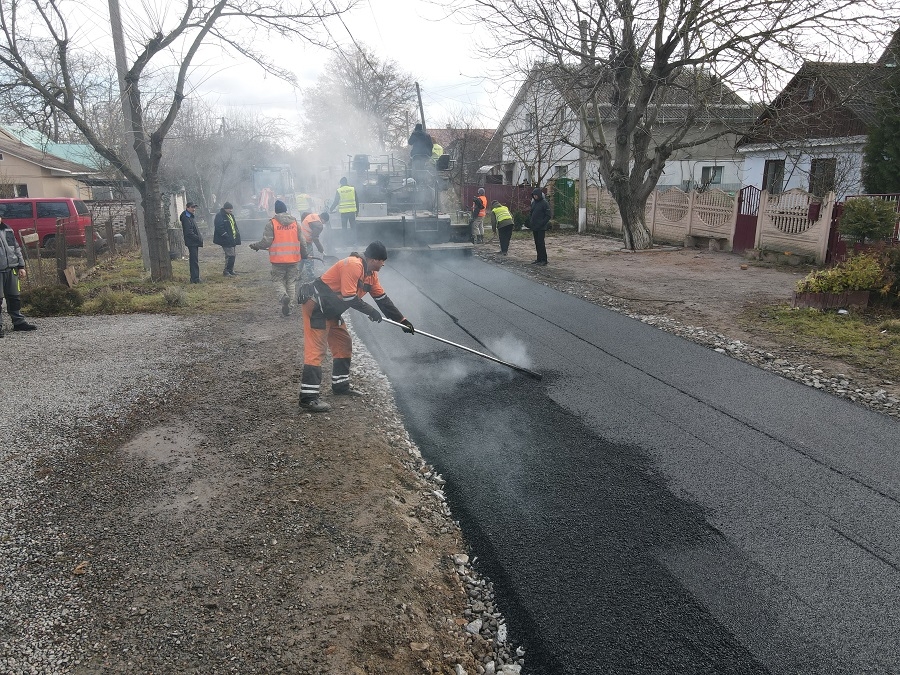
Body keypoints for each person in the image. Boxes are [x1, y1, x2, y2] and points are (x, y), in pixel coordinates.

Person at [298, 241, 414, 413]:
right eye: (382, 260)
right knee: (317, 350)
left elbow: (383, 300)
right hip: (316, 307)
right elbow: (349, 297)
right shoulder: (353, 265)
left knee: (343, 343)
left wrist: (402, 321)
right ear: (373, 259)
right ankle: (308, 398)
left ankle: (340, 385)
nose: (383, 264)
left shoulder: (371, 275)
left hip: (331, 309)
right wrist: (370, 311)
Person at [248, 199, 306, 317]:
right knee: (291, 282)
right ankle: (289, 308)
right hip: (293, 259)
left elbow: (266, 242)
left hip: (278, 260)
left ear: (276, 211)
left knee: (278, 280)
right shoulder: (295, 222)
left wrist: (256, 246)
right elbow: (303, 241)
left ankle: (283, 297)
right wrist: (304, 254)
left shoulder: (272, 223)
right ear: (286, 210)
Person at [0, 215, 36, 336]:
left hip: (12, 269)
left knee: (14, 297)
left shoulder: (8, 230)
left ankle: (18, 322)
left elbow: (16, 248)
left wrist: (21, 266)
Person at [299, 211, 330, 285]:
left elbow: (303, 215)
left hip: (299, 239)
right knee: (309, 259)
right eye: (324, 222)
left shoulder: (313, 215)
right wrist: (321, 249)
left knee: (301, 257)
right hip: (306, 241)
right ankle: (311, 276)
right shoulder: (319, 225)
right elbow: (315, 238)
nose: (323, 224)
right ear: (323, 219)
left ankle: (297, 274)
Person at [213, 201, 241, 276]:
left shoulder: (230, 215)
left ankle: (230, 270)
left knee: (232, 255)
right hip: (225, 239)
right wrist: (225, 235)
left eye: (231, 208)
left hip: (232, 238)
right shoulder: (220, 215)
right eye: (229, 209)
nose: (231, 210)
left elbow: (234, 226)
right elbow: (219, 227)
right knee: (230, 255)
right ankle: (226, 271)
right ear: (225, 208)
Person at [180, 202, 203, 283]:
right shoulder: (186, 217)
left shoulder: (190, 216)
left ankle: (195, 278)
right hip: (192, 242)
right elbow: (188, 232)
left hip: (193, 242)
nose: (194, 209)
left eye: (194, 207)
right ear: (187, 207)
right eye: (192, 207)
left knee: (194, 260)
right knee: (194, 261)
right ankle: (195, 279)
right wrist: (198, 238)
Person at [528, 187, 552, 266]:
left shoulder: (544, 203)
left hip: (541, 227)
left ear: (539, 195)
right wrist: (530, 221)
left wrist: (542, 223)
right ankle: (538, 259)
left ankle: (544, 260)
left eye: (536, 195)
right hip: (534, 227)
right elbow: (531, 212)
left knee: (541, 243)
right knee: (537, 243)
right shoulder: (534, 203)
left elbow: (548, 215)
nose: (535, 197)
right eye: (534, 195)